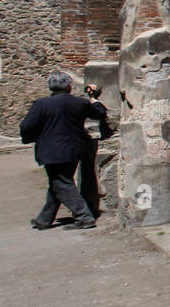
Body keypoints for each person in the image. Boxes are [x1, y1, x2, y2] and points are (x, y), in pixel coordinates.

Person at [19, 71, 110, 230]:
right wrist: (94, 97)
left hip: (51, 150)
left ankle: (84, 217)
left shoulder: (42, 104)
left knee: (61, 183)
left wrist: (32, 137)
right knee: (59, 183)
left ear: (50, 87)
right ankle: (44, 219)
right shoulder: (80, 103)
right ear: (69, 86)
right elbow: (100, 112)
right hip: (74, 149)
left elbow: (25, 126)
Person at [76, 82, 113, 217]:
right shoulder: (88, 105)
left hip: (91, 142)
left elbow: (101, 113)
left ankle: (88, 206)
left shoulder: (94, 105)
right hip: (87, 142)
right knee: (86, 174)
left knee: (88, 174)